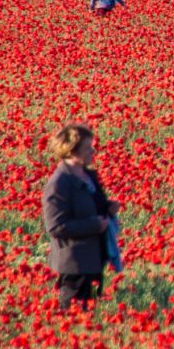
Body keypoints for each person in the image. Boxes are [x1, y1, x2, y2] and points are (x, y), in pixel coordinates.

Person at [42, 123, 113, 312]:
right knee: (71, 313)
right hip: (73, 263)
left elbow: (90, 206)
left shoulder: (87, 176)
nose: (93, 150)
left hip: (92, 259)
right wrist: (94, 225)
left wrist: (107, 208)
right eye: (88, 147)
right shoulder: (59, 183)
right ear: (72, 150)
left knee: (87, 314)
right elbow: (56, 226)